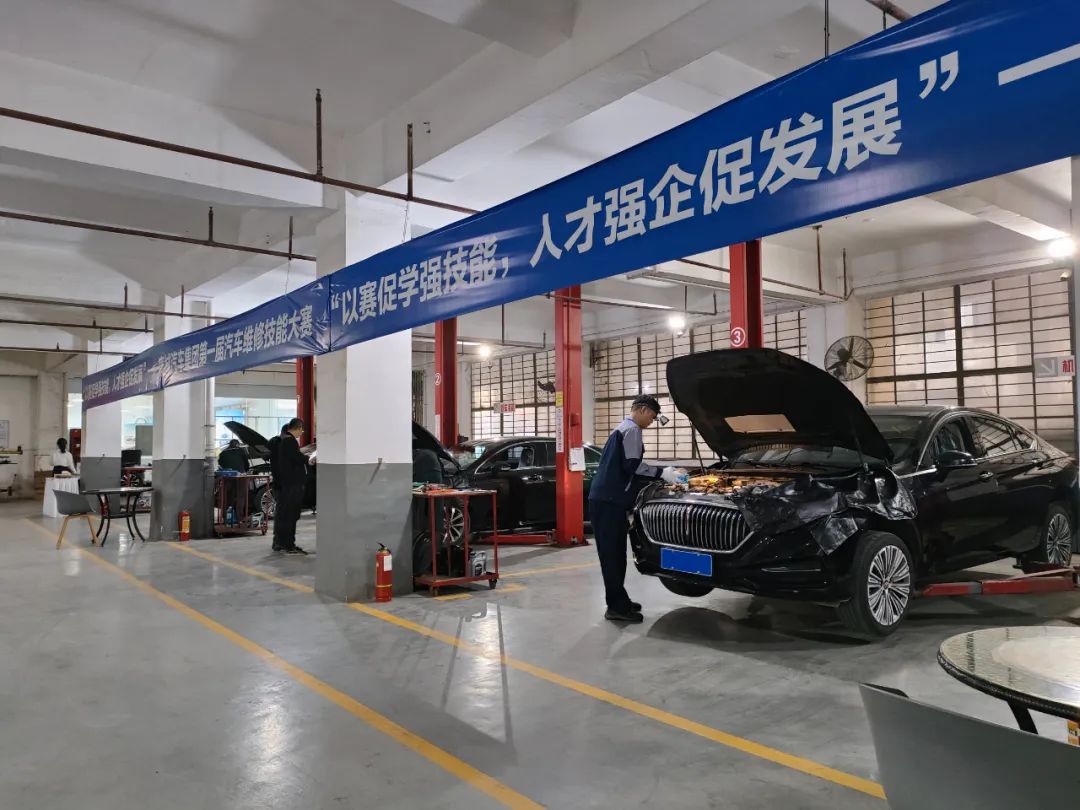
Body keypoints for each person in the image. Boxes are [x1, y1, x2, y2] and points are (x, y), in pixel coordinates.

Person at [588, 396, 678, 623]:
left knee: (616, 554)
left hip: (608, 499)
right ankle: (616, 607)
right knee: (612, 555)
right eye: (652, 417)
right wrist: (663, 473)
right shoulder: (632, 430)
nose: (651, 422)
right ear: (643, 410)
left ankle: (620, 600)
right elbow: (632, 466)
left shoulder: (623, 428)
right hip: (609, 501)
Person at [273, 418, 311, 555]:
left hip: (287, 484)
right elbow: (297, 458)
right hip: (293, 485)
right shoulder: (290, 441)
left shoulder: (284, 441)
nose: (301, 433)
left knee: (285, 515)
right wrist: (309, 459)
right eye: (302, 430)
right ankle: (289, 545)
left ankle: (281, 543)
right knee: (291, 515)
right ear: (298, 428)